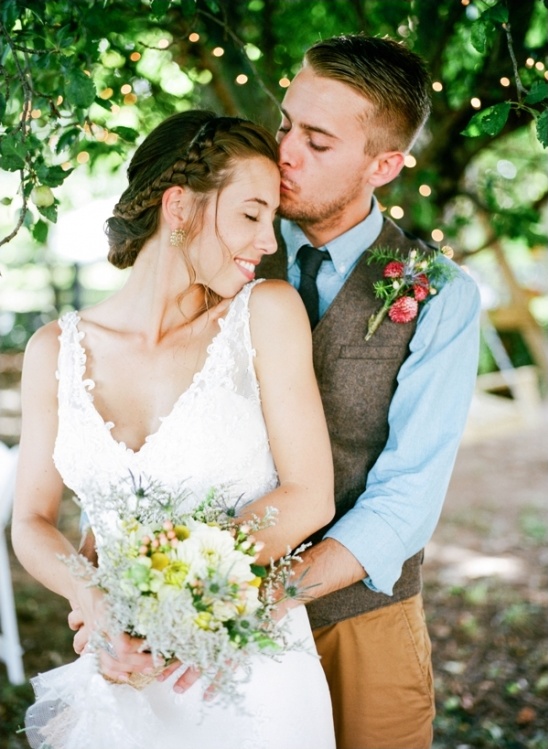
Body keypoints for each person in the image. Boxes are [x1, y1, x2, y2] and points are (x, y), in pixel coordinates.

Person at [11, 111, 337, 749]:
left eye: (272, 219)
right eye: (250, 214)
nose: (268, 241)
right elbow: (31, 521)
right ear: (179, 205)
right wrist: (99, 603)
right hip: (120, 676)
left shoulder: (266, 314)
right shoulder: (54, 349)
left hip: (247, 684)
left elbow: (308, 496)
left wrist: (168, 593)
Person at [252, 34, 480, 749]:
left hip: (364, 619)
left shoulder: (441, 293)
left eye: (317, 141)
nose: (284, 152)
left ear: (383, 164)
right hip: (223, 624)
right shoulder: (231, 254)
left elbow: (409, 496)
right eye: (286, 124)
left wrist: (258, 595)